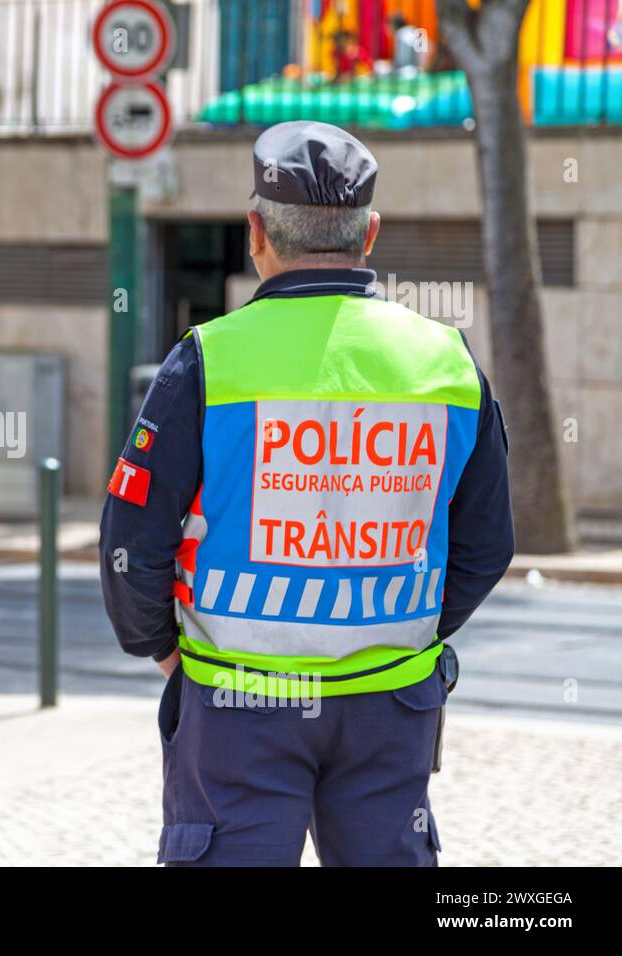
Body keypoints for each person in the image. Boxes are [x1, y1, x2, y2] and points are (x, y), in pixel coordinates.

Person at [99, 121, 514, 866]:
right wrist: (403, 629)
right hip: (391, 707)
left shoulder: (207, 360)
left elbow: (132, 544)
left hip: (240, 704)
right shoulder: (446, 362)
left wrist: (164, 649)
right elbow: (487, 546)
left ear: (255, 231)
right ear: (370, 232)